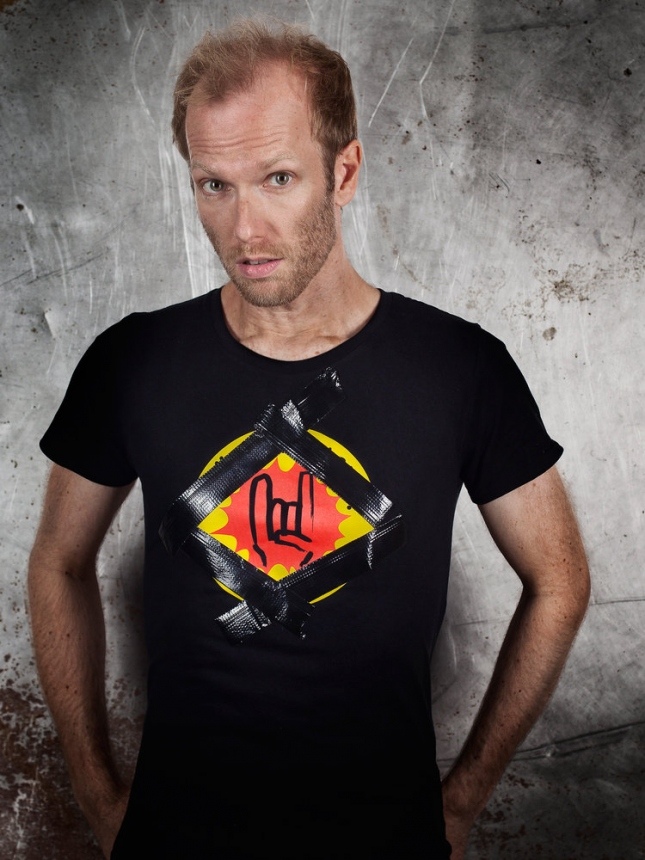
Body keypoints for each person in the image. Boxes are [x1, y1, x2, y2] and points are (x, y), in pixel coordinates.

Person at [28, 18, 590, 860]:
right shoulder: (131, 361)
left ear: (345, 172)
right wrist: (96, 792)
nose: (244, 229)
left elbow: (560, 579)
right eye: (213, 185)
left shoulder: (459, 367)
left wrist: (464, 799)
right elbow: (58, 563)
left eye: (278, 178)